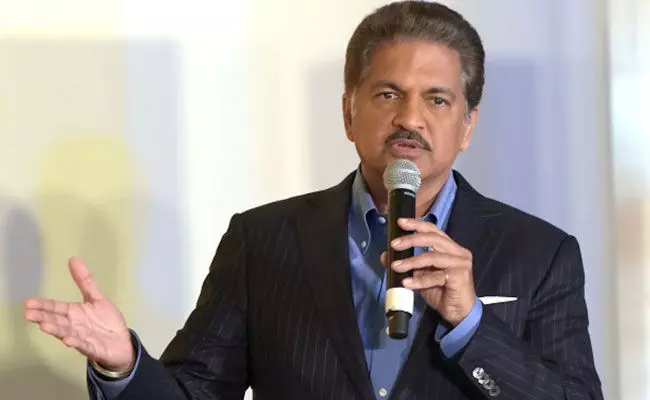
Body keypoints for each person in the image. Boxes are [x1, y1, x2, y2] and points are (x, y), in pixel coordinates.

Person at [23, 1, 603, 399]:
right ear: (349, 111)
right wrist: (123, 365)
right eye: (388, 94)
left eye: (437, 100)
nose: (410, 118)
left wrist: (471, 323)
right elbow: (196, 393)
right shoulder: (262, 242)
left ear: (468, 125)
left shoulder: (540, 254)